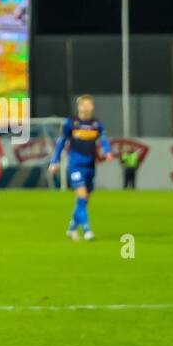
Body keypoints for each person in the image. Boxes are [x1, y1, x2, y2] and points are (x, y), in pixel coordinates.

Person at [50, 94, 113, 241]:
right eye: (82, 104)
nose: (85, 107)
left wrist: (108, 151)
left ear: (92, 107)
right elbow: (61, 142)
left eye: (88, 104)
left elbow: (103, 140)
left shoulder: (96, 124)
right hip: (75, 166)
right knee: (82, 197)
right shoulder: (70, 123)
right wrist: (55, 161)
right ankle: (87, 230)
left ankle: (72, 228)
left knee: (83, 200)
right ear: (78, 107)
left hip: (90, 166)